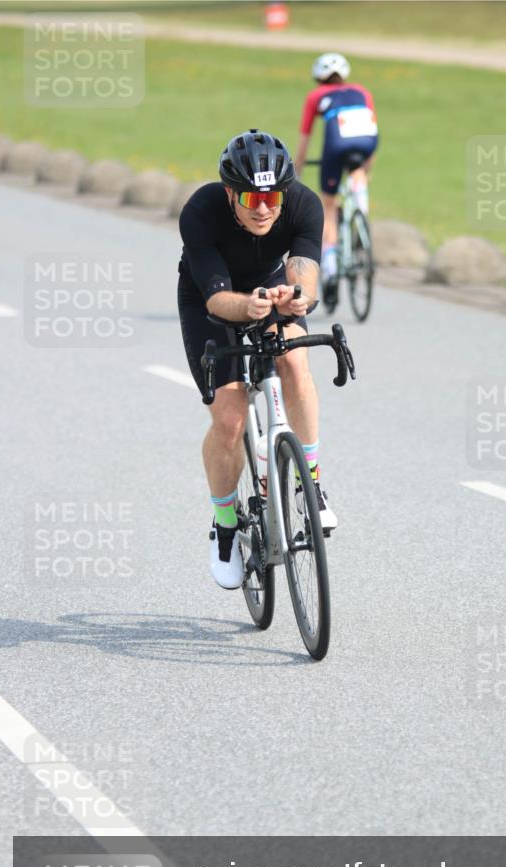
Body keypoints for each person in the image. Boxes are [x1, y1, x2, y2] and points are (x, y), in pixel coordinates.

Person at [178, 129, 337, 590]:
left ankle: (311, 482)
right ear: (231, 193)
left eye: (272, 195)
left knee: (293, 363)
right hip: (211, 298)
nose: (264, 207)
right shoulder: (202, 212)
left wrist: (298, 296)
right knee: (229, 419)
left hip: (270, 291)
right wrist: (245, 305)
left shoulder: (303, 203)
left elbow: (305, 268)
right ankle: (225, 524)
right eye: (251, 196)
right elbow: (216, 299)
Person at [294, 52, 378, 302]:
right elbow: (371, 125)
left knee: (328, 207)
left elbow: (305, 138)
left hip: (335, 143)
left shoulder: (316, 96)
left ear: (318, 77)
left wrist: (297, 169)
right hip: (367, 141)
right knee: (359, 173)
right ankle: (360, 215)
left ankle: (329, 270)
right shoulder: (362, 92)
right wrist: (367, 169)